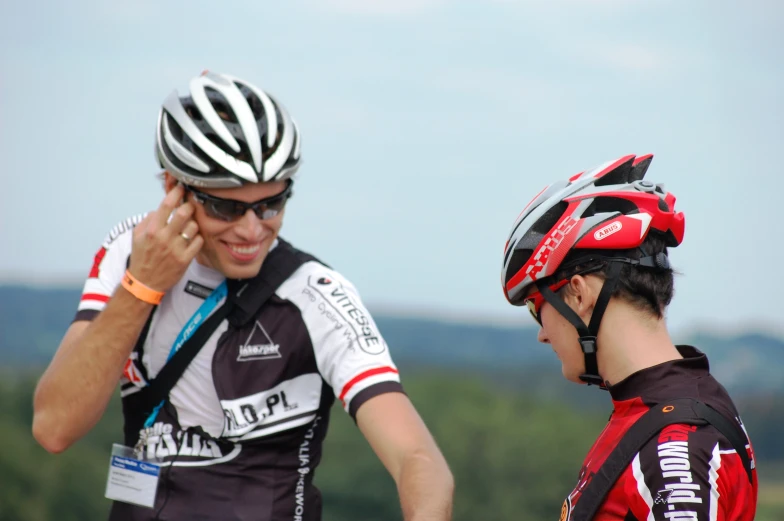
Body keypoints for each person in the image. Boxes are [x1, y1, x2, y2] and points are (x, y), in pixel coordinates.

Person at [32, 70, 454, 521]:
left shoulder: (316, 296)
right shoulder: (127, 253)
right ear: (173, 187)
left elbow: (420, 462)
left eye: (273, 203)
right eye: (226, 207)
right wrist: (142, 286)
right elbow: (55, 426)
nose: (252, 230)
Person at [499, 154, 757, 520]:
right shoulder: (658, 408)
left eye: (536, 306)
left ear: (578, 293)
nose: (542, 334)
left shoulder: (674, 450)